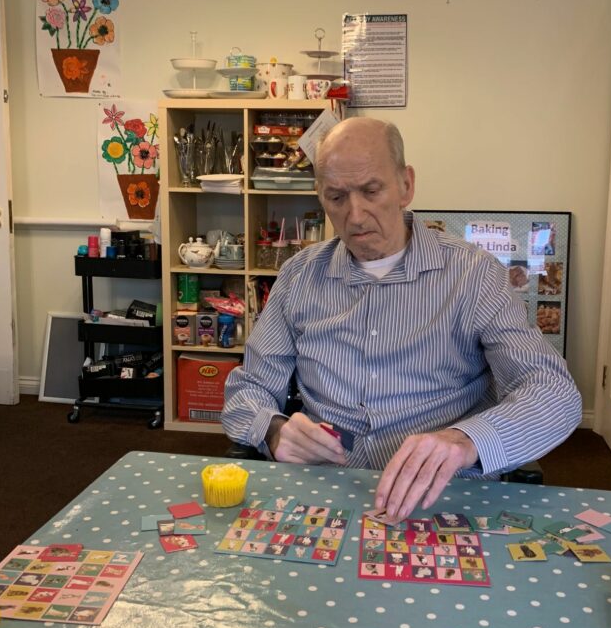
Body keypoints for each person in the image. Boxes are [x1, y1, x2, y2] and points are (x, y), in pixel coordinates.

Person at [222, 117, 581, 520]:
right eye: (336, 197)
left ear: (406, 185)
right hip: (326, 493)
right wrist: (274, 429)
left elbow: (554, 392)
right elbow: (248, 387)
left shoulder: (474, 275)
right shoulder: (298, 276)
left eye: (371, 191)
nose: (355, 216)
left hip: (443, 496)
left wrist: (466, 441)